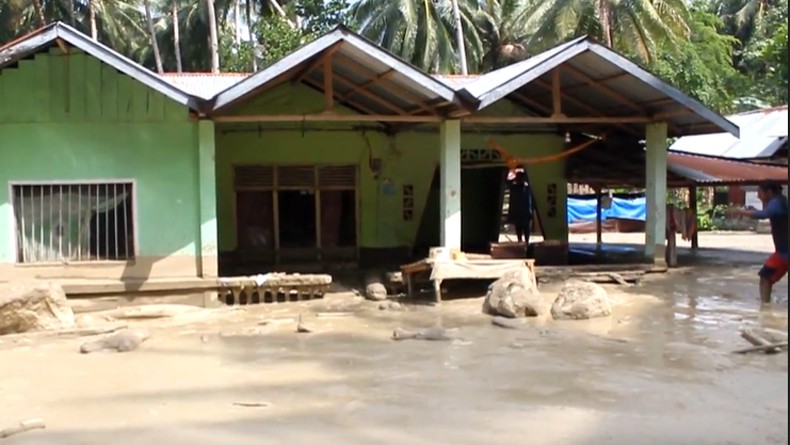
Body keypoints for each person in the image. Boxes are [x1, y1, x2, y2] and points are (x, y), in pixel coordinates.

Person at [732, 181, 788, 303]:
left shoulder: (776, 202)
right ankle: (765, 308)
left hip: (784, 253)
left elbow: (764, 214)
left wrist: (741, 212)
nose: (758, 196)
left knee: (765, 277)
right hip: (783, 252)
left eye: (759, 192)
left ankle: (764, 308)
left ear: (768, 192)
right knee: (766, 277)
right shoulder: (780, 201)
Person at [507, 168, 533, 245]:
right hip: (524, 212)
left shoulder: (516, 187)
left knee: (522, 229)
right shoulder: (526, 188)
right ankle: (524, 243)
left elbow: (507, 182)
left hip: (522, 212)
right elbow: (507, 182)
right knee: (523, 229)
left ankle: (523, 243)